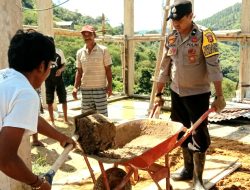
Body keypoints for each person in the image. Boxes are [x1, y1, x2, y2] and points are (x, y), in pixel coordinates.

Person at [155, 0, 226, 189]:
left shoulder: (205, 36)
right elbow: (164, 67)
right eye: (172, 19)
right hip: (176, 93)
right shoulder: (171, 37)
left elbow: (214, 67)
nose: (175, 23)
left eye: (179, 19)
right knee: (181, 131)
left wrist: (219, 95)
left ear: (191, 16)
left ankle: (198, 179)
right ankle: (187, 169)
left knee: (198, 135)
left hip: (198, 94)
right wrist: (159, 93)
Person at [0, 30, 76, 190]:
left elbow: (28, 117)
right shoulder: (25, 93)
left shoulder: (5, 77)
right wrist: (38, 183)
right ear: (42, 66)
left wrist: (60, 137)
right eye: (51, 65)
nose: (50, 70)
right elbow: (5, 159)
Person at [72, 25, 113, 116]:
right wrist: (75, 87)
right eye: (84, 35)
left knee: (102, 118)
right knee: (87, 118)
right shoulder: (79, 52)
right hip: (85, 89)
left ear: (94, 35)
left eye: (89, 34)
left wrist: (109, 85)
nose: (87, 37)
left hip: (100, 89)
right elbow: (79, 71)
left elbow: (108, 70)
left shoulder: (103, 50)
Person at [45, 37, 70, 127]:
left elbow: (64, 65)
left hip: (59, 80)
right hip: (48, 80)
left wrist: (60, 70)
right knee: (49, 101)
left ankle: (66, 120)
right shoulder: (43, 53)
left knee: (64, 99)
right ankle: (52, 121)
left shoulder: (59, 52)